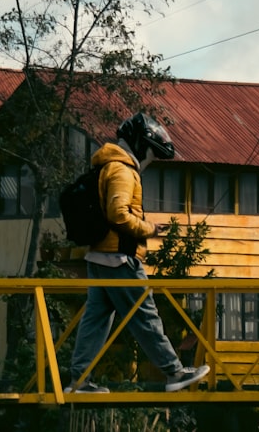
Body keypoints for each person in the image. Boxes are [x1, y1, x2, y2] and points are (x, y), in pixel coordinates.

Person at [65, 111, 210, 393]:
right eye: (151, 155)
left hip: (99, 257)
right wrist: (149, 229)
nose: (150, 160)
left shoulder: (108, 166)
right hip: (120, 259)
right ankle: (174, 373)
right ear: (140, 145)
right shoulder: (122, 169)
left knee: (95, 322)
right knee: (146, 316)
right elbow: (118, 215)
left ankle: (79, 381)